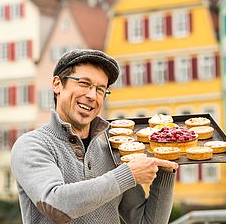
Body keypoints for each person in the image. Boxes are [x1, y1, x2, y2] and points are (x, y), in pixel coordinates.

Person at [10, 49, 179, 224]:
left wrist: (166, 169)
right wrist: (128, 174)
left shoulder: (112, 153)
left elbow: (147, 222)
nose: (92, 95)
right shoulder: (32, 145)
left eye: (100, 89)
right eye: (84, 83)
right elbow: (55, 205)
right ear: (57, 84)